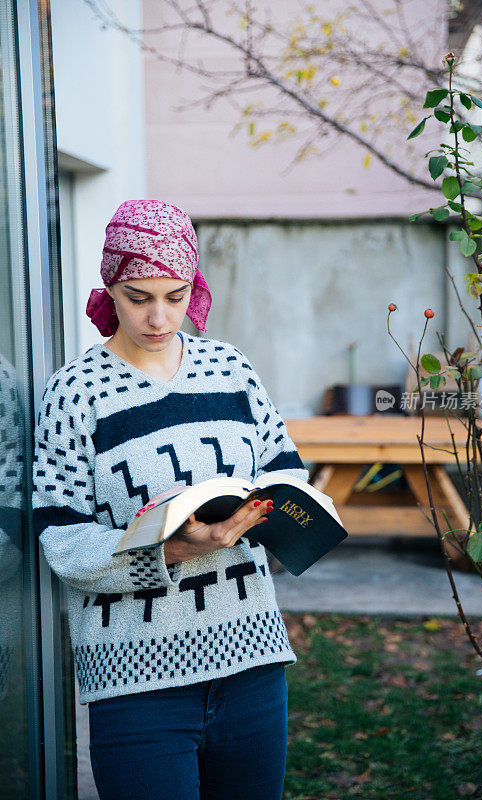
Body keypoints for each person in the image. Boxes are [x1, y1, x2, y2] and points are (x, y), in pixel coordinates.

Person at [32, 199, 309, 800]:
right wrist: (173, 547)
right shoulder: (73, 392)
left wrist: (281, 515)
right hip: (136, 680)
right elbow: (62, 539)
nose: (160, 317)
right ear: (110, 286)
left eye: (176, 296)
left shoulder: (231, 369)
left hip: (252, 663)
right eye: (138, 297)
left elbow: (288, 470)